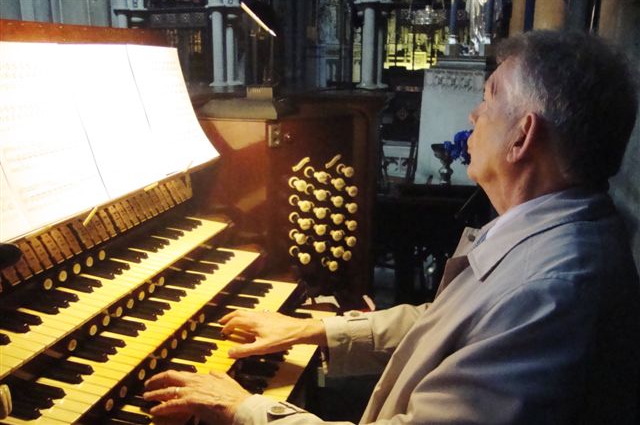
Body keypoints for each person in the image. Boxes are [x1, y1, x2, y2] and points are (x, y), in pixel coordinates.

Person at [143, 30, 640, 424]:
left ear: (523, 136)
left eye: (489, 97)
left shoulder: (550, 294)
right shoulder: (550, 231)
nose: (474, 113)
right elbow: (448, 324)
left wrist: (244, 408)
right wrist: (315, 327)